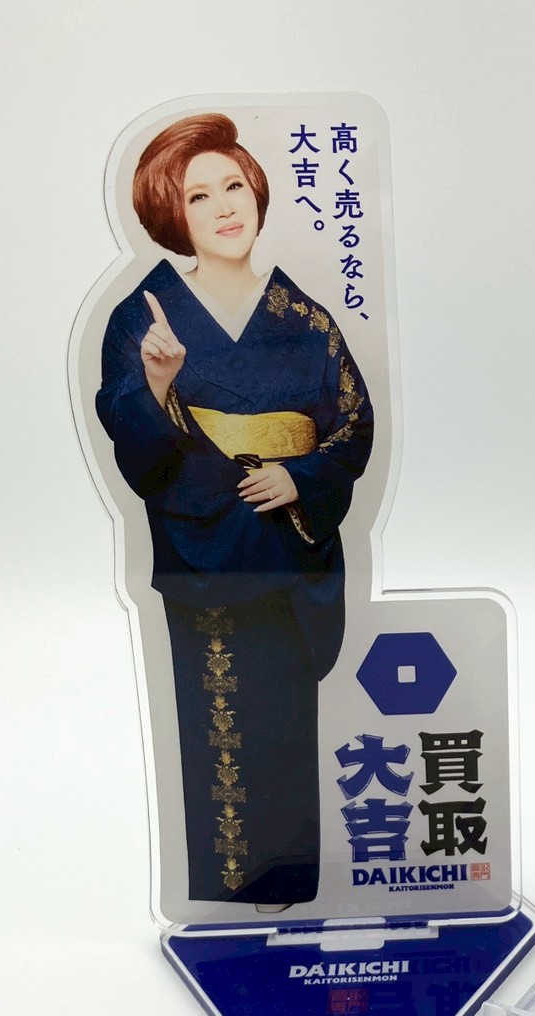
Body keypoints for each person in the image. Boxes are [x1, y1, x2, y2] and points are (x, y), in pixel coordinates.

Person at [95, 113, 373, 905]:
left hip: (288, 546)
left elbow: (353, 423)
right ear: (170, 214)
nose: (224, 206)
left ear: (256, 190)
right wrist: (157, 383)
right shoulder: (144, 315)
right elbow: (129, 434)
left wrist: (302, 477)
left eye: (234, 185)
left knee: (286, 723)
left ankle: (285, 885)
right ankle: (229, 888)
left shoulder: (306, 319)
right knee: (222, 724)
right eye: (198, 196)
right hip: (207, 547)